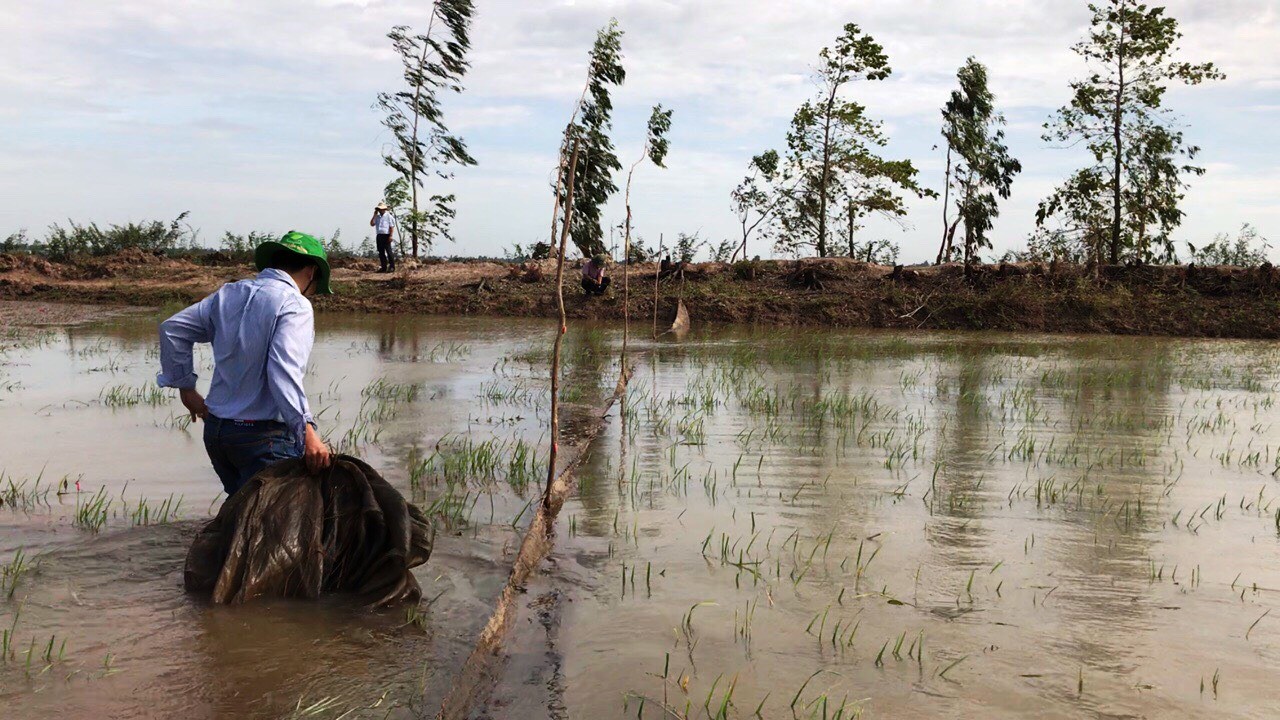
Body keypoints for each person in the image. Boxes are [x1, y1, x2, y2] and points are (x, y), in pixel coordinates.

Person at [157, 232, 333, 496]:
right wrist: (307, 432)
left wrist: (186, 389)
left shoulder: (227, 294)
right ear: (310, 272)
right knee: (271, 529)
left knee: (241, 517)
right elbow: (282, 372)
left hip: (218, 433)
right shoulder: (295, 304)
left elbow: (172, 329)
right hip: (264, 439)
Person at [370, 202, 397, 273]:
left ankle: (392, 267)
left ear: (385, 209)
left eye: (382, 209)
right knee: (381, 252)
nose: (381, 210)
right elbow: (372, 224)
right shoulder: (377, 217)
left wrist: (390, 236)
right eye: (379, 209)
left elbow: (391, 227)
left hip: (386, 235)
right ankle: (383, 267)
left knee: (388, 251)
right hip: (379, 235)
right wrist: (374, 215)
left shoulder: (389, 216)